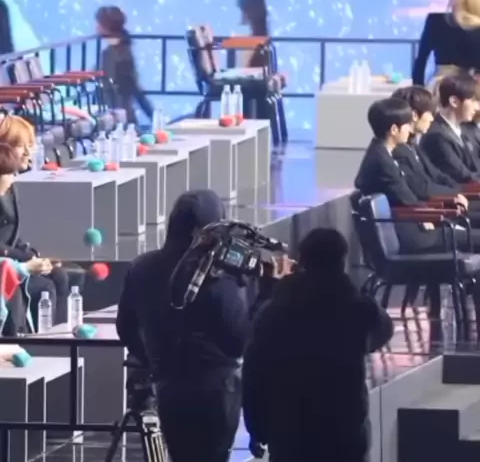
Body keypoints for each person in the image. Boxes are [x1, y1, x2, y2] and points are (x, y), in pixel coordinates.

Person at [116, 189, 288, 462]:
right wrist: (266, 293)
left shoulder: (141, 268)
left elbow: (125, 327)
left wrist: (154, 360)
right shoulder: (218, 280)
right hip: (216, 391)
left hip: (169, 386)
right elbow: (239, 341)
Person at [243, 228, 393, 462]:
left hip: (290, 436)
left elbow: (253, 371)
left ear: (302, 261)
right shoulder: (356, 307)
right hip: (344, 435)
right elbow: (384, 329)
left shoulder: (274, 311)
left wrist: (256, 428)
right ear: (342, 262)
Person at [355, 97, 480, 254]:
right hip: (412, 234)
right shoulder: (382, 161)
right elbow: (406, 198)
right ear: (394, 130)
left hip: (412, 224)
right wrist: (426, 216)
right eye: (407, 125)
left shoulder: (381, 153)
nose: (409, 129)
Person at [0, 115, 80, 327]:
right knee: (45, 287)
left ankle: (61, 335)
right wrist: (25, 259)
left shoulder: (11, 183)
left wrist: (35, 254)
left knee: (60, 275)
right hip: (4, 265)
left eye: (31, 145)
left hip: (13, 258)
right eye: (21, 146)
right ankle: (38, 341)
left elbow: (11, 235)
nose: (28, 152)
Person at [391, 86, 469, 205]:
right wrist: (454, 195)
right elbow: (421, 188)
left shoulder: (413, 146)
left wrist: (458, 191)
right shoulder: (399, 151)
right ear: (415, 115)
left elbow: (437, 175)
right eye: (429, 113)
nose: (432, 119)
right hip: (428, 209)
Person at [412, 0, 480, 87]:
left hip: (441, 87)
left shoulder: (435, 21)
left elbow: (420, 62)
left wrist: (418, 91)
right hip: (474, 89)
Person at [95, 6, 153, 125]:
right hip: (119, 111)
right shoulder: (121, 50)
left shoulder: (114, 54)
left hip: (118, 114)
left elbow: (130, 85)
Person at [420, 73, 480, 183]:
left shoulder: (464, 129)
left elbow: (475, 165)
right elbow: (461, 175)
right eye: (473, 101)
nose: (477, 107)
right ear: (454, 102)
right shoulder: (436, 136)